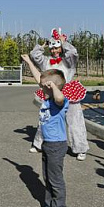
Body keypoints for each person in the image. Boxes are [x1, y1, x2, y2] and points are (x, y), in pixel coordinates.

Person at [22, 54, 69, 207]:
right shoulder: (48, 97)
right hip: (48, 144)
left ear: (52, 86)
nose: (40, 89)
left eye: (44, 87)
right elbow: (39, 79)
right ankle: (49, 205)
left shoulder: (60, 101)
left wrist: (53, 87)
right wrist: (29, 62)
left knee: (56, 180)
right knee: (47, 178)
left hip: (57, 145)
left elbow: (59, 97)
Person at [30, 28, 88, 160]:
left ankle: (80, 149)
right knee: (45, 119)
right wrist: (42, 45)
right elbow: (34, 55)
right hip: (50, 93)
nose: (54, 51)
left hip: (68, 91)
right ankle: (39, 144)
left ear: (61, 48)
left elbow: (73, 53)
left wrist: (64, 42)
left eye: (57, 48)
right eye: (52, 49)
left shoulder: (68, 62)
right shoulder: (46, 61)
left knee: (75, 121)